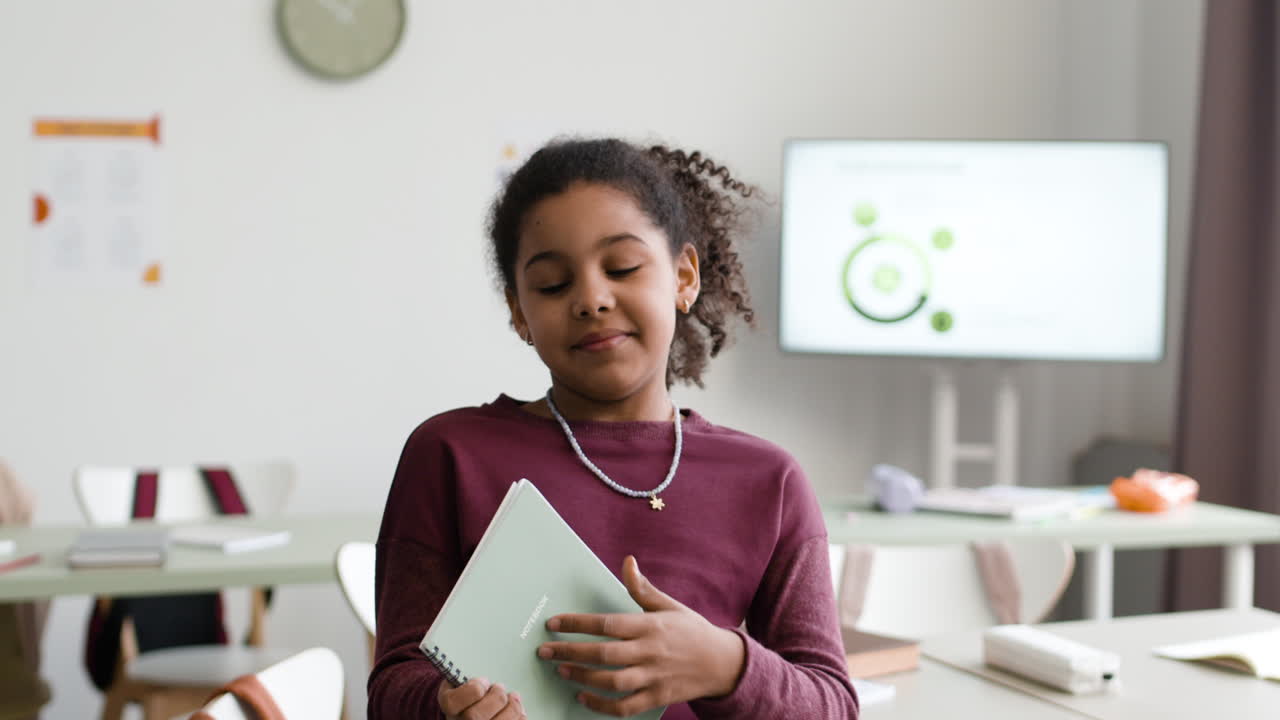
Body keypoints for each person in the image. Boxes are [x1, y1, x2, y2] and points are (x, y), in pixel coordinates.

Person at [369, 138, 859, 719]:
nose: (592, 299)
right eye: (553, 284)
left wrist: (725, 665)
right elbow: (393, 687)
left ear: (683, 277)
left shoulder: (768, 480)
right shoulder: (449, 455)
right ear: (520, 313)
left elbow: (833, 705)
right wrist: (447, 708)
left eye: (622, 267)